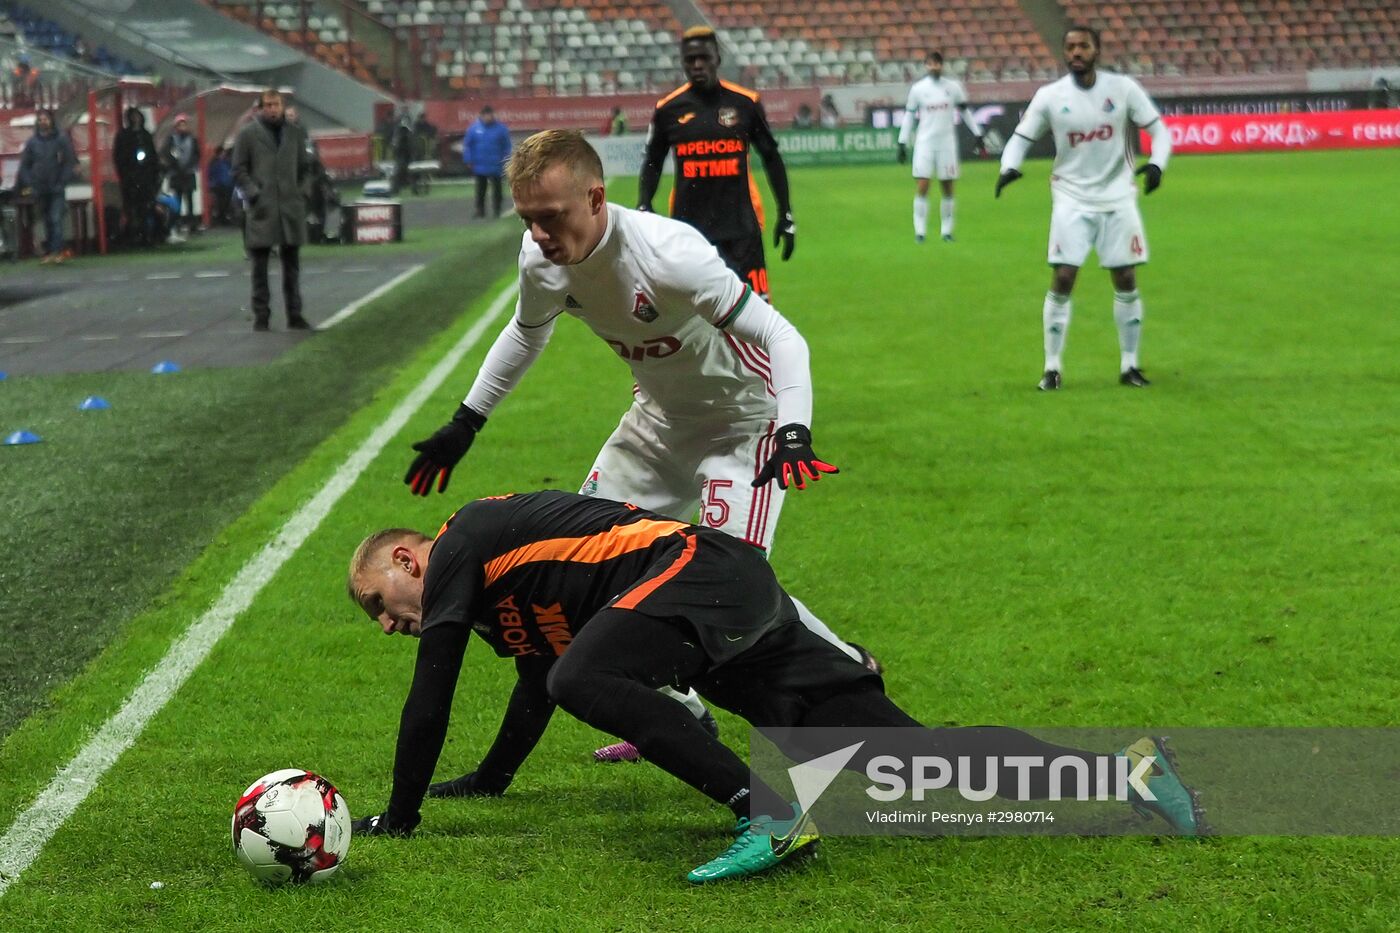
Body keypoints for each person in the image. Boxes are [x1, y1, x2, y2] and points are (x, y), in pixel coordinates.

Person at [343, 490, 1205, 883]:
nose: (390, 625)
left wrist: (403, 813)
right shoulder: (502, 602)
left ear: (411, 559)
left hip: (698, 572)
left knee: (586, 673)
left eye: (383, 604)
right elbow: (536, 684)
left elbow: (436, 693)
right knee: (909, 759)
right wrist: (492, 779)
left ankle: (767, 812)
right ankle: (1129, 773)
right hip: (723, 612)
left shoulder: (462, 544)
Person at [403, 130, 876, 765]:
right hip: (655, 426)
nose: (540, 234)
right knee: (589, 570)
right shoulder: (541, 257)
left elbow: (781, 335)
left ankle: (847, 667)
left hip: (743, 425)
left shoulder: (669, 253)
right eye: (528, 220)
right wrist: (467, 421)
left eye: (551, 217)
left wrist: (793, 430)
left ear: (596, 198)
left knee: (726, 586)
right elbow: (525, 333)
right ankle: (676, 708)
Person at [996, 25, 1172, 391]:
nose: (1076, 52)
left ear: (1097, 50)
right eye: (1071, 47)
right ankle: (1052, 367)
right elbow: (1020, 137)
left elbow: (1159, 131)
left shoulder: (1123, 89)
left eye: (1083, 46)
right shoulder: (1050, 96)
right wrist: (1008, 166)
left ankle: (1130, 365)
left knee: (1125, 278)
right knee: (1062, 277)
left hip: (1118, 196)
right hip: (1071, 199)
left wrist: (1157, 164)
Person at [638, 26, 795, 301]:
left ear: (717, 59)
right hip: (688, 235)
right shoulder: (668, 109)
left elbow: (771, 157)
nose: (697, 65)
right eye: (690, 59)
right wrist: (644, 205)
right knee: (696, 322)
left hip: (742, 231)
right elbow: (653, 161)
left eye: (704, 57)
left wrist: (786, 213)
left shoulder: (746, 103)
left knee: (756, 319)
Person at [232, 88, 314, 332]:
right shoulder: (248, 134)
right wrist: (253, 193)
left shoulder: (295, 133)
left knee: (292, 267)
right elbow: (238, 169)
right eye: (267, 105)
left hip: (290, 207)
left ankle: (295, 314)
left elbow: (306, 167)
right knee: (259, 268)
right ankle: (261, 316)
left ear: (282, 105)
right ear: (260, 108)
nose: (272, 109)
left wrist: (301, 191)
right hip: (262, 209)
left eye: (275, 104)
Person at [896, 50, 986, 244]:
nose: (934, 66)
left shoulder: (953, 87)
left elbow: (965, 111)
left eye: (937, 63)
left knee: (948, 187)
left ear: (941, 65)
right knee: (923, 185)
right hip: (925, 143)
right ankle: (920, 231)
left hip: (947, 143)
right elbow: (910, 115)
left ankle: (947, 231)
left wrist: (977, 133)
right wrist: (902, 141)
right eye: (930, 63)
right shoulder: (918, 89)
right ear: (926, 66)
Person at [17, 108, 76, 264]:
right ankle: (50, 251)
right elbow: (25, 165)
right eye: (41, 119)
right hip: (40, 187)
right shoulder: (32, 142)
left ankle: (57, 251)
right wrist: (30, 182)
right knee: (46, 220)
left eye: (46, 119)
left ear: (51, 121)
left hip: (56, 186)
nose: (43, 122)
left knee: (55, 218)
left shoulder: (61, 139)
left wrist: (62, 180)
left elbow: (69, 161)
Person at [113, 106, 160, 246]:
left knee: (145, 208)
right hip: (130, 179)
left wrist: (153, 175)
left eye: (137, 116)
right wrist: (125, 173)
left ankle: (146, 235)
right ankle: (133, 235)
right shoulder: (123, 136)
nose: (135, 119)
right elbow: (118, 157)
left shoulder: (146, 135)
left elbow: (153, 157)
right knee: (131, 208)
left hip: (145, 179)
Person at [463, 105, 511, 218]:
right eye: (486, 115)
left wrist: (506, 159)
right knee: (480, 189)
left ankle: (497, 210)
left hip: (496, 164)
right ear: (481, 115)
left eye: (490, 115)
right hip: (480, 165)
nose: (488, 118)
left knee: (497, 189)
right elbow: (468, 145)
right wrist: (469, 159)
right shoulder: (474, 129)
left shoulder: (501, 129)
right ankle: (480, 210)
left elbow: (506, 146)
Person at [161, 113, 201, 235]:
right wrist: (175, 165)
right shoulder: (171, 139)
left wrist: (190, 166)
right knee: (177, 200)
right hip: (176, 174)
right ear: (176, 126)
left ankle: (192, 224)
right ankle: (176, 223)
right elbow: (166, 153)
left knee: (189, 200)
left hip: (188, 173)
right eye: (180, 125)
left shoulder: (192, 139)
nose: (182, 127)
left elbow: (197, 155)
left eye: (184, 124)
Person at [207, 146, 235, 226]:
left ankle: (224, 217)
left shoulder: (226, 162)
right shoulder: (215, 163)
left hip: (227, 186)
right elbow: (212, 175)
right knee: (221, 202)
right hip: (219, 186)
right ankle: (221, 218)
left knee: (226, 202)